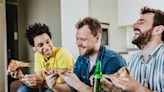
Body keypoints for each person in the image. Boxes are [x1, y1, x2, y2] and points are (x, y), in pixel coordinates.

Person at [46, 17, 126, 92]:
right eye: (77, 38)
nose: (78, 43)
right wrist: (54, 86)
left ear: (97, 38)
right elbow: (71, 89)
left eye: (83, 39)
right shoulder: (82, 59)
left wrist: (78, 85)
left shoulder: (114, 61)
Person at [101, 7, 164, 92]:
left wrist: (137, 88)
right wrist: (110, 87)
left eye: (141, 22)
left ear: (158, 29)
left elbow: (135, 89)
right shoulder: (135, 59)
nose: (133, 25)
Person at [8, 23, 74, 92]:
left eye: (48, 42)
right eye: (40, 45)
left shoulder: (63, 54)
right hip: (45, 87)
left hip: (59, 88)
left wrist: (42, 82)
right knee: (22, 90)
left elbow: (65, 86)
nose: (46, 47)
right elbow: (38, 82)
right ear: (34, 47)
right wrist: (21, 77)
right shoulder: (37, 55)